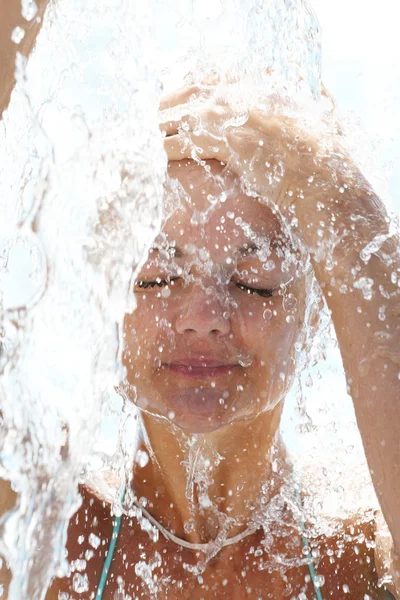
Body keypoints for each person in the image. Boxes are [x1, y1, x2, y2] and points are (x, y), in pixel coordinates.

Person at [1, 2, 399, 599]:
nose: (202, 318)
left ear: (321, 310)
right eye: (157, 276)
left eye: (255, 280)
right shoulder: (39, 526)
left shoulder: (367, 555)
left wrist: (342, 208)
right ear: (105, 292)